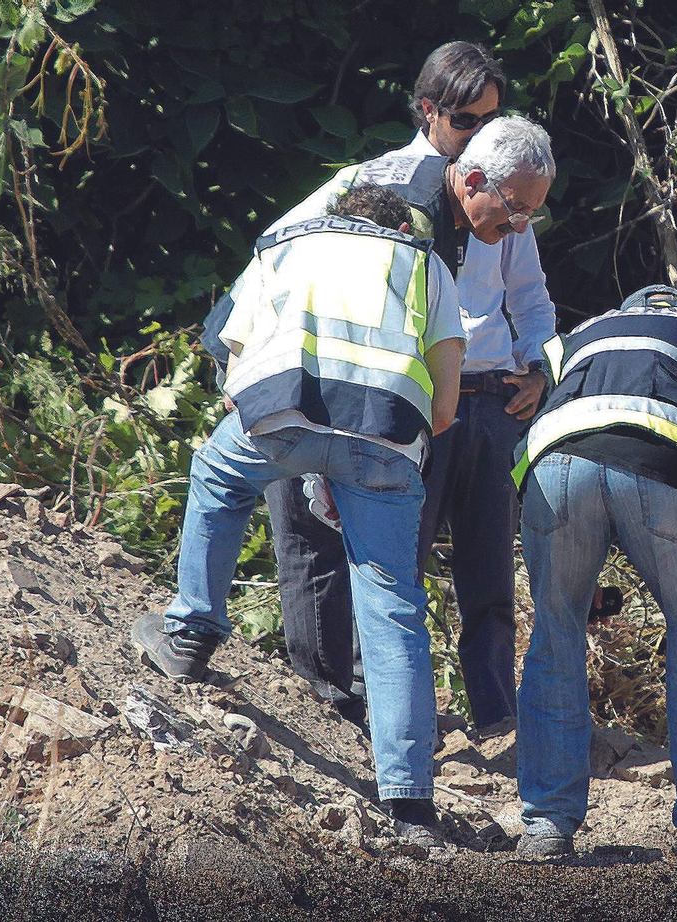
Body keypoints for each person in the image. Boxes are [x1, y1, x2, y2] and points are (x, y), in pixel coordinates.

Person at [203, 45, 556, 732]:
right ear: (430, 112)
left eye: (492, 117)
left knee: (477, 575)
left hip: (471, 400)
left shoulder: (502, 200)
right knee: (369, 563)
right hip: (377, 397)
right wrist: (244, 360)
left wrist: (535, 369)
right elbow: (278, 248)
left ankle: (470, 722)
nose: (477, 130)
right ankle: (353, 714)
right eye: (465, 120)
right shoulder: (384, 187)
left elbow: (530, 296)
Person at [133, 186, 467, 847]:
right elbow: (448, 405)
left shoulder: (286, 243)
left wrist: (308, 454)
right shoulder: (426, 263)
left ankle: (191, 632)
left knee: (218, 477)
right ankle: (410, 804)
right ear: (398, 225)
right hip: (389, 439)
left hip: (283, 410)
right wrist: (358, 464)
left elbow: (234, 375)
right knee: (391, 599)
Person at [509, 284, 677, 857]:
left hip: (555, 467)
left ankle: (547, 826)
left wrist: (581, 574)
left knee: (555, 634)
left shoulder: (574, 340)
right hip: (663, 464)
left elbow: (574, 431)